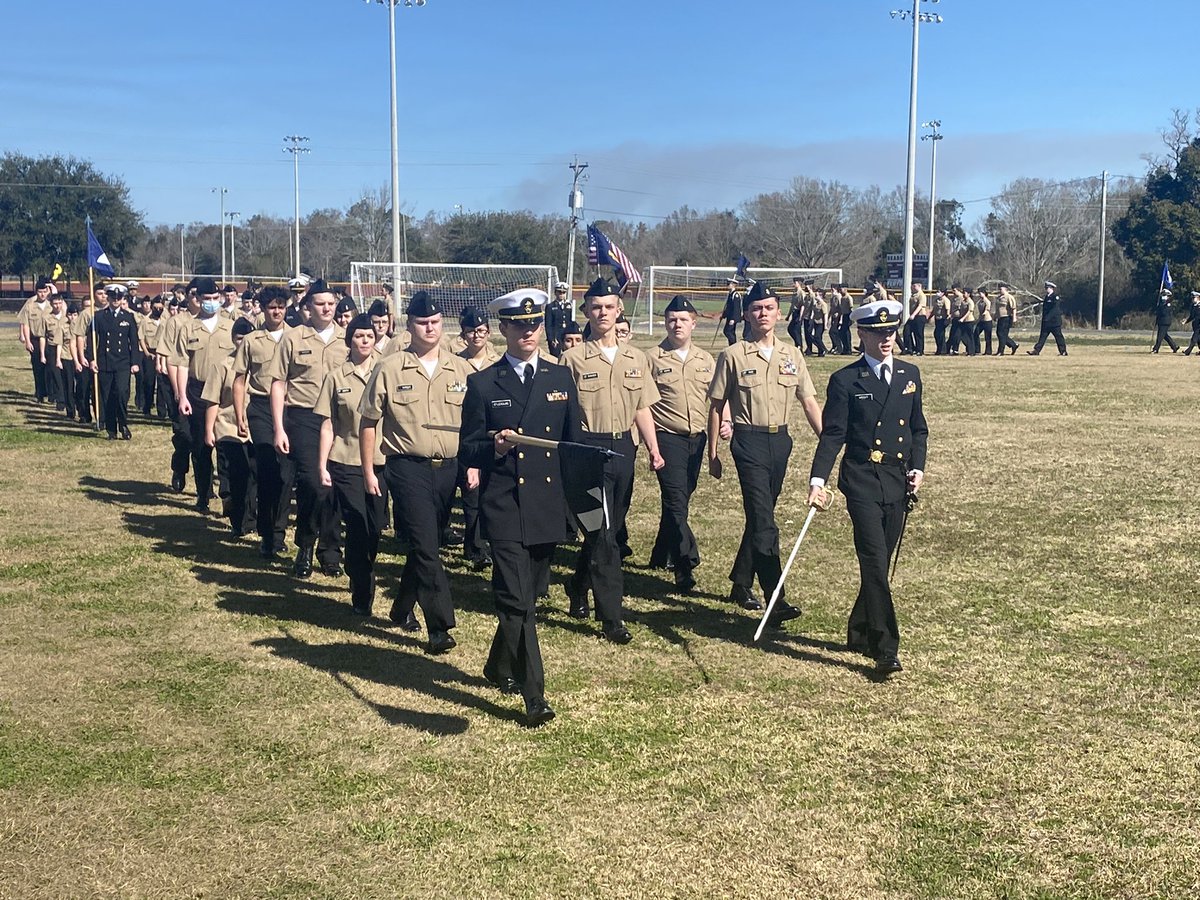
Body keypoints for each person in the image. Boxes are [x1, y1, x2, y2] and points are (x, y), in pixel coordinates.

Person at [459, 288, 581, 726]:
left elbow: (573, 447)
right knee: (516, 601)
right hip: (505, 504)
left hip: (546, 506)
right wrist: (491, 443)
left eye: (534, 324)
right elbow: (466, 448)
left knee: (525, 596)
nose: (527, 332)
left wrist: (582, 506)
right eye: (518, 325)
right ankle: (534, 696)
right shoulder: (483, 383)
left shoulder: (559, 379)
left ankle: (497, 666)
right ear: (503, 329)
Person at [808, 298, 927, 675]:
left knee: (880, 563)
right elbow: (833, 436)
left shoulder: (910, 375)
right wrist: (817, 480)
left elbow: (918, 428)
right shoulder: (846, 380)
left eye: (890, 331)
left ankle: (859, 628)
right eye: (878, 333)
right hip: (860, 479)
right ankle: (885, 646)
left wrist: (918, 467)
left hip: (896, 480)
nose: (886, 339)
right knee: (874, 560)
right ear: (862, 334)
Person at [359, 290, 476, 652]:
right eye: (423, 323)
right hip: (406, 466)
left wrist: (473, 465)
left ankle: (401, 606)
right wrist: (368, 470)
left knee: (428, 542)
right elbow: (368, 422)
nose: (430, 328)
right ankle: (438, 626)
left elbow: (475, 424)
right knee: (427, 546)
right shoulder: (390, 368)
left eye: (436, 322)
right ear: (409, 326)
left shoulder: (461, 369)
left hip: (449, 468)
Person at [707, 280, 822, 616]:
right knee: (764, 520)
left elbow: (810, 402)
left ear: (779, 313)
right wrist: (713, 453)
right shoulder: (733, 355)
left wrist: (829, 443)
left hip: (780, 442)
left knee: (761, 517)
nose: (763, 314)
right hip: (748, 440)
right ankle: (775, 596)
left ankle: (741, 581)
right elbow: (716, 406)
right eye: (756, 308)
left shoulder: (792, 355)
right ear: (746, 314)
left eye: (769, 307)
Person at [559, 278, 665, 643]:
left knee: (608, 529)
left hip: (623, 450)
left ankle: (576, 585)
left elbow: (643, 408)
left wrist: (653, 449)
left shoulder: (637, 358)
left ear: (619, 310)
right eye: (595, 307)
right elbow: (564, 415)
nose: (602, 313)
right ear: (586, 312)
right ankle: (612, 618)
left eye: (609, 307)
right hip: (587, 451)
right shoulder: (572, 359)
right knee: (603, 535)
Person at [265, 279, 348, 578]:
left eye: (330, 304)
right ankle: (306, 544)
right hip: (304, 417)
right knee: (314, 483)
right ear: (307, 307)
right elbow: (278, 383)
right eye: (319, 304)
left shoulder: (347, 338)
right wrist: (279, 428)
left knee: (336, 484)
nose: (326, 309)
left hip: (341, 420)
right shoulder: (293, 338)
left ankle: (331, 551)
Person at [316, 314, 384, 615]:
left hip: (382, 460)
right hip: (346, 459)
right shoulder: (336, 376)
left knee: (376, 529)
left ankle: (362, 571)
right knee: (357, 525)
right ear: (350, 339)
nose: (365, 340)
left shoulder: (386, 371)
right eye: (359, 335)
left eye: (370, 335)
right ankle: (362, 589)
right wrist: (322, 464)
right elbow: (328, 425)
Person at [647, 295, 717, 592]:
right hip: (666, 436)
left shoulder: (706, 359)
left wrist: (724, 423)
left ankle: (660, 554)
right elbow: (642, 404)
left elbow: (716, 399)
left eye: (683, 320)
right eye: (672, 320)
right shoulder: (651, 358)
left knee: (681, 499)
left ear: (693, 323)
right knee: (676, 500)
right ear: (665, 323)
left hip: (696, 438)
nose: (677, 325)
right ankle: (684, 564)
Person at [232, 286, 292, 559]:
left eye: (281, 305)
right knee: (268, 469)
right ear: (263, 309)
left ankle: (279, 532)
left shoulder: (298, 337)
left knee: (287, 476)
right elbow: (240, 379)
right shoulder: (252, 340)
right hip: (260, 409)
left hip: (292, 410)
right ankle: (267, 535)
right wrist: (239, 414)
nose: (276, 311)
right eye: (271, 307)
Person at [170, 277, 236, 510]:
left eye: (214, 299)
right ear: (197, 300)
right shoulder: (188, 327)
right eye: (206, 299)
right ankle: (203, 493)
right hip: (198, 390)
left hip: (227, 393)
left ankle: (228, 493)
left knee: (228, 445)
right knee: (201, 446)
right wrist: (183, 396)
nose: (211, 303)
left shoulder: (231, 325)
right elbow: (181, 363)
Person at [203, 317, 257, 537]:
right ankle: (238, 521)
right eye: (239, 338)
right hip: (228, 427)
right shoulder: (223, 365)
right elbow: (213, 400)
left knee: (254, 476)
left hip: (255, 429)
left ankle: (251, 518)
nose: (243, 343)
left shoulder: (263, 365)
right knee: (236, 475)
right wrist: (209, 430)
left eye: (247, 338)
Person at [456, 306, 499, 569]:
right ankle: (474, 548)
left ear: (489, 333)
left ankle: (487, 541)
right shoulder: (454, 363)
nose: (476, 336)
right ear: (463, 335)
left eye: (481, 331)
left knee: (490, 493)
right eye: (471, 331)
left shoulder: (499, 362)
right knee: (470, 494)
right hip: (465, 435)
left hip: (491, 434)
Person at [92, 283, 140, 440]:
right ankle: (111, 429)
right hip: (105, 362)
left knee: (121, 393)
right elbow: (92, 339)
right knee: (107, 397)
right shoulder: (99, 317)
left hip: (123, 363)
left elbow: (133, 341)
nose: (116, 300)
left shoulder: (128, 317)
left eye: (119, 297)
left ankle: (123, 424)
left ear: (122, 299)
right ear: (108, 297)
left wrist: (135, 362)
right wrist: (92, 359)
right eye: (113, 297)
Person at [18, 278, 54, 402]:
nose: (42, 294)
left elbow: (64, 310)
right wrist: (27, 341)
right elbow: (25, 323)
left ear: (48, 291)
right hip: (35, 340)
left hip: (50, 340)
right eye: (40, 291)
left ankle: (51, 393)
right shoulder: (30, 305)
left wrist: (54, 291)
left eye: (45, 291)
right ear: (36, 292)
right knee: (38, 367)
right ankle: (40, 393)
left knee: (51, 368)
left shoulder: (52, 304)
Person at [1028, 280, 1068, 356]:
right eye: (1046, 288)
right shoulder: (1047, 297)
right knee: (1042, 337)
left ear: (1051, 288)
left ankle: (1063, 351)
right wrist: (1044, 319)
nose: (1046, 289)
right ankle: (1036, 351)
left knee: (1058, 337)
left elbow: (1054, 309)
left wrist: (1048, 318)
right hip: (1046, 322)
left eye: (1047, 288)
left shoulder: (1055, 297)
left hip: (1054, 322)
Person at [544, 281, 572, 357]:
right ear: (555, 293)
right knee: (555, 357)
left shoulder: (569, 306)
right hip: (556, 336)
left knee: (568, 356)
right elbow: (548, 325)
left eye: (563, 293)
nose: (561, 295)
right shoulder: (550, 306)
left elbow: (571, 322)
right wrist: (551, 339)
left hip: (566, 335)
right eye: (559, 292)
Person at [995, 284, 1019, 355]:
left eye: (1001, 289)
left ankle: (1000, 351)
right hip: (1000, 318)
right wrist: (995, 316)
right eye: (999, 289)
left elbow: (1013, 308)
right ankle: (1013, 345)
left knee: (1002, 334)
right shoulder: (999, 298)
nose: (999, 290)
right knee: (999, 334)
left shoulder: (1009, 297)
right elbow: (997, 308)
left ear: (1005, 289)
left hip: (1006, 318)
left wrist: (1014, 317)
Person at [906, 282, 928, 355]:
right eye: (912, 286)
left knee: (918, 334)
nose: (913, 287)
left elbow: (920, 306)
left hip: (920, 316)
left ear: (919, 286)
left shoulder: (921, 295)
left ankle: (920, 350)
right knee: (906, 331)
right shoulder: (913, 295)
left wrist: (913, 315)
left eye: (914, 286)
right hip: (913, 317)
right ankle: (911, 348)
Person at [720, 279, 743, 345]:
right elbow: (728, 307)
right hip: (729, 317)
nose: (727, 285)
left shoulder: (736, 295)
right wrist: (723, 315)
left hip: (733, 317)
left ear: (733, 285)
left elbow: (736, 308)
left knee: (728, 332)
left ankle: (734, 345)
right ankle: (731, 345)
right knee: (729, 332)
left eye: (729, 284)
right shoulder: (730, 294)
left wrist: (733, 319)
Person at [974, 288, 994, 356]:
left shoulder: (987, 301)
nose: (979, 294)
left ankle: (988, 351)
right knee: (975, 333)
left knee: (987, 337)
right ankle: (977, 350)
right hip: (981, 321)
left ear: (984, 293)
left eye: (981, 293)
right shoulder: (980, 301)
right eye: (979, 293)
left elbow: (987, 310)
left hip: (987, 321)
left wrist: (984, 313)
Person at [1184, 291, 1200, 356]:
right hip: (1195, 325)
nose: (1193, 299)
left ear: (1198, 298)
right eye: (1192, 298)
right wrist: (1186, 321)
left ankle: (1188, 351)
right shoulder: (1193, 306)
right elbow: (1192, 316)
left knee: (1194, 338)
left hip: (1199, 325)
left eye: (1194, 297)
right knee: (1198, 340)